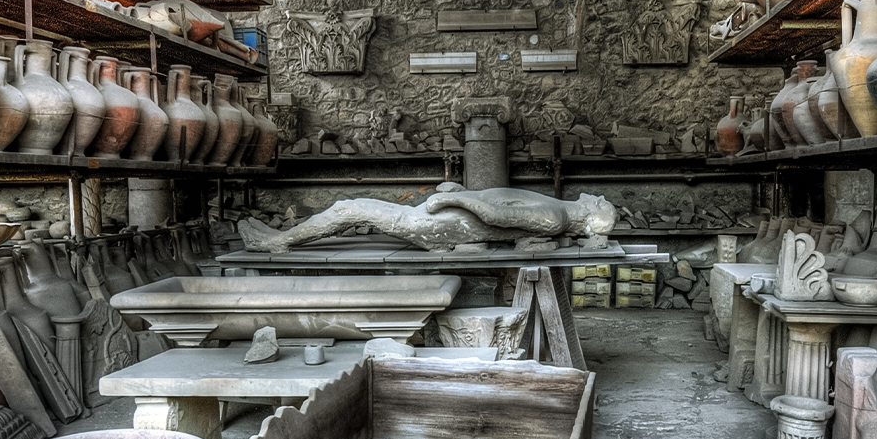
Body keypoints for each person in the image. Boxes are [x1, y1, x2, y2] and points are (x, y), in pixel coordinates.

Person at [238, 184, 616, 253]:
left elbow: (497, 215)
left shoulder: (555, 217)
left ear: (591, 216)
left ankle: (274, 242)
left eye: (600, 203)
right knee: (349, 208)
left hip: (439, 226)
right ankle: (278, 238)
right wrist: (460, 193)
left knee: (348, 209)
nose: (597, 196)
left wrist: (459, 200)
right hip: (447, 216)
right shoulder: (558, 211)